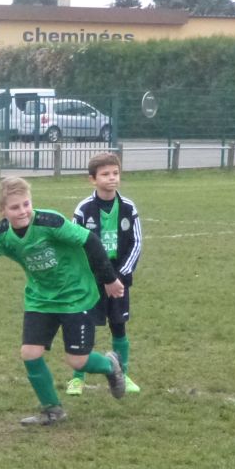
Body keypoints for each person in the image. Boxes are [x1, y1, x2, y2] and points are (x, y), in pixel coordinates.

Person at [0, 176, 127, 426]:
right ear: (1, 211)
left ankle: (110, 365)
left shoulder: (50, 222)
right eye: (15, 207)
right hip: (40, 299)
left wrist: (109, 279)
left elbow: (89, 240)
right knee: (29, 353)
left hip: (75, 296)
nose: (23, 211)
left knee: (77, 361)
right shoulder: (3, 234)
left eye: (26, 204)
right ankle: (52, 410)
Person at [67, 152, 143, 396]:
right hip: (91, 280)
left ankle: (123, 374)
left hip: (119, 277)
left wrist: (119, 276)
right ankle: (77, 378)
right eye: (105, 174)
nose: (112, 178)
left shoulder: (128, 207)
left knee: (119, 325)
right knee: (85, 326)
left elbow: (136, 243)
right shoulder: (83, 209)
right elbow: (75, 245)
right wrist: (95, 275)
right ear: (92, 179)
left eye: (115, 173)